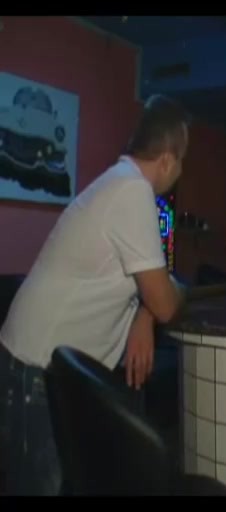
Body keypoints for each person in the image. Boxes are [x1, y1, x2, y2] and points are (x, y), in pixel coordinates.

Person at [0, 94, 191, 496]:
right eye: (182, 161)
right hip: (34, 369)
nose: (181, 171)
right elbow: (165, 301)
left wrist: (142, 315)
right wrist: (165, 299)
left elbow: (143, 286)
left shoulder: (119, 183)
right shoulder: (133, 193)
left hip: (42, 365)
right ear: (167, 160)